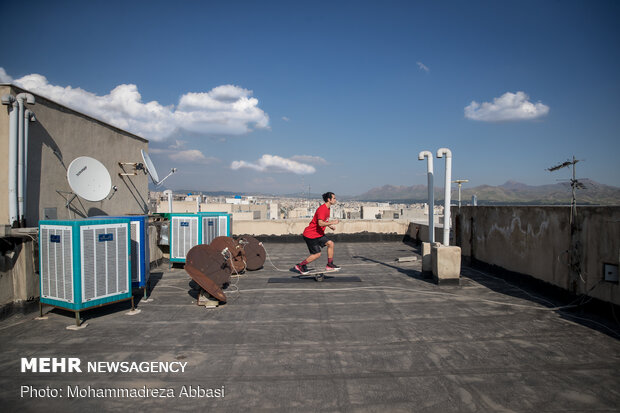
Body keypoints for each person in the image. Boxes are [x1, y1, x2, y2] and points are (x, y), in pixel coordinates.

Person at [295, 192, 340, 274]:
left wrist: (330, 225)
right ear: (329, 199)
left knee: (330, 244)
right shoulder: (323, 209)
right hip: (311, 235)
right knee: (317, 254)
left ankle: (329, 265)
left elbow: (324, 220)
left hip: (318, 234)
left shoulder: (328, 208)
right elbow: (320, 223)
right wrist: (332, 222)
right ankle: (300, 266)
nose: (335, 200)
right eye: (334, 198)